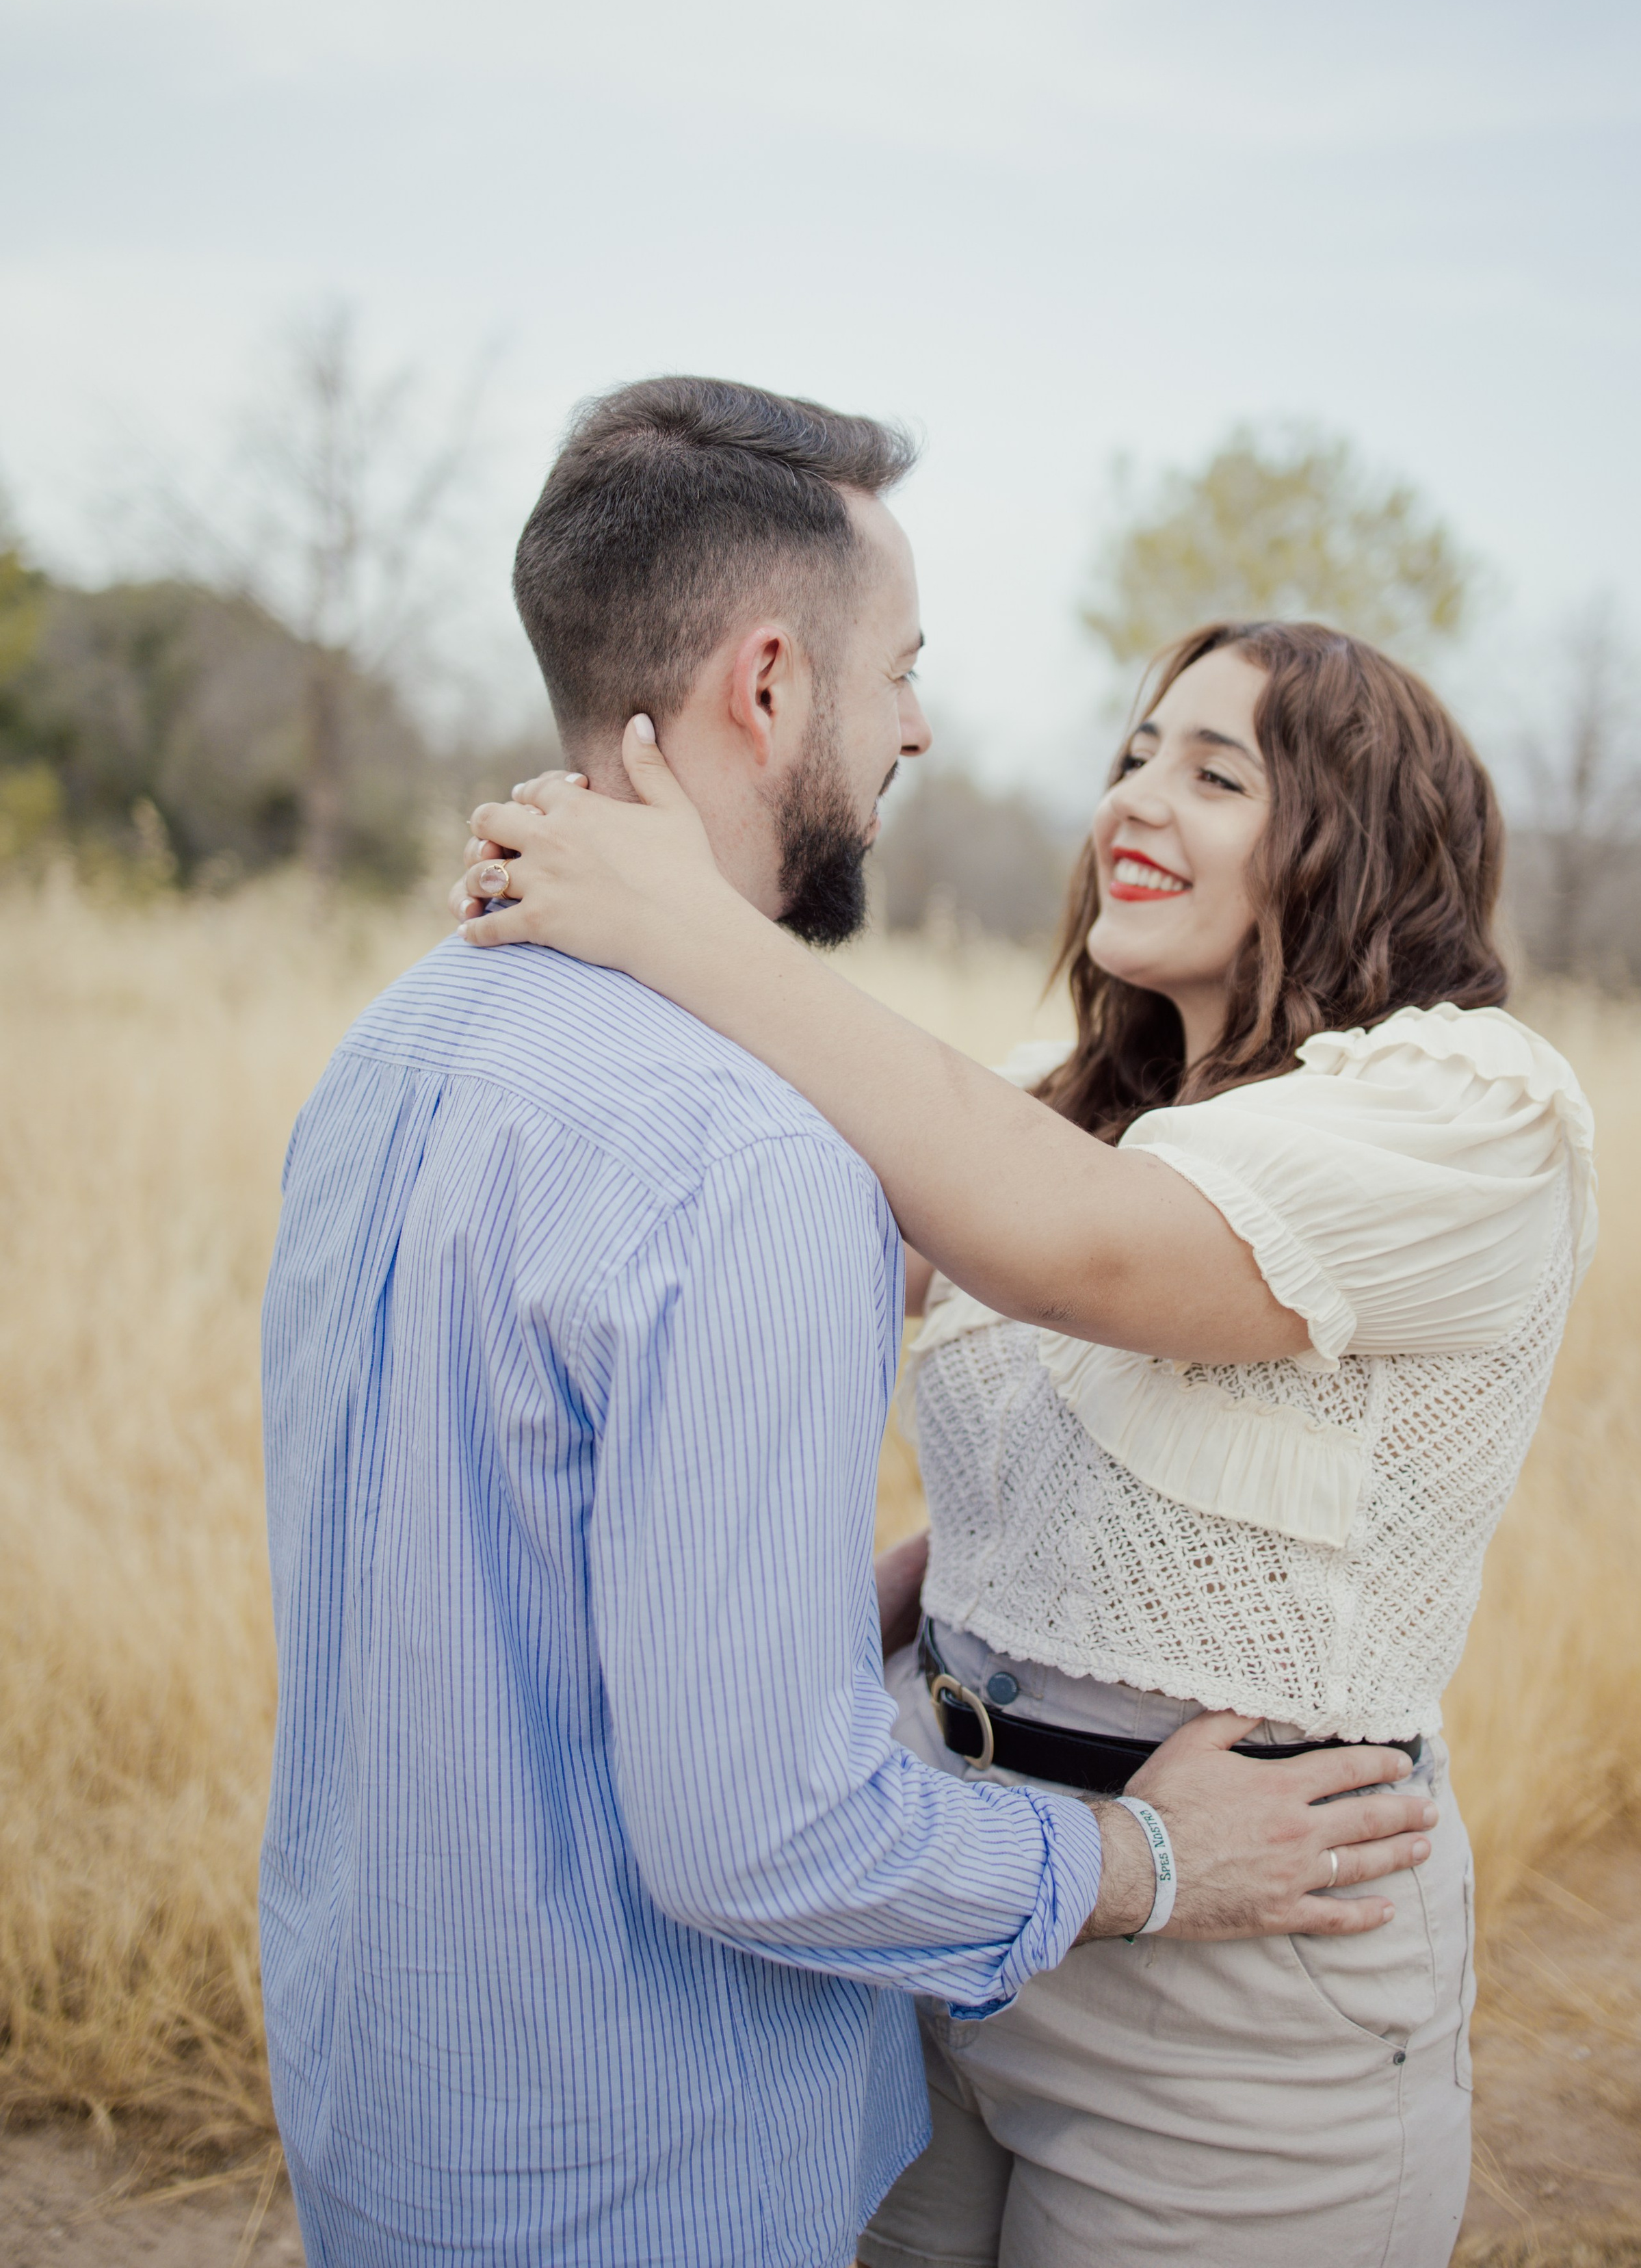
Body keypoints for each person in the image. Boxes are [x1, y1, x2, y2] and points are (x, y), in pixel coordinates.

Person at [259, 378, 1436, 2268]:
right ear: (770, 683)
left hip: (384, 2093)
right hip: (641, 2164)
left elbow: (492, 1561)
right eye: (900, 672)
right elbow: (763, 1834)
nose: (918, 727)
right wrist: (1149, 1857)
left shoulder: (397, 1041)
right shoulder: (752, 1161)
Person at [455, 613, 1596, 2268]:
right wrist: (579, 895)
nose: (1132, 799)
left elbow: (1080, 1253)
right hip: (954, 1888)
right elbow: (770, 1225)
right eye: (1131, 756)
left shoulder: (1466, 1107)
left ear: (1361, 841)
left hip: (1243, 1968)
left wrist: (680, 921)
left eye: (1214, 774)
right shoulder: (1060, 1102)